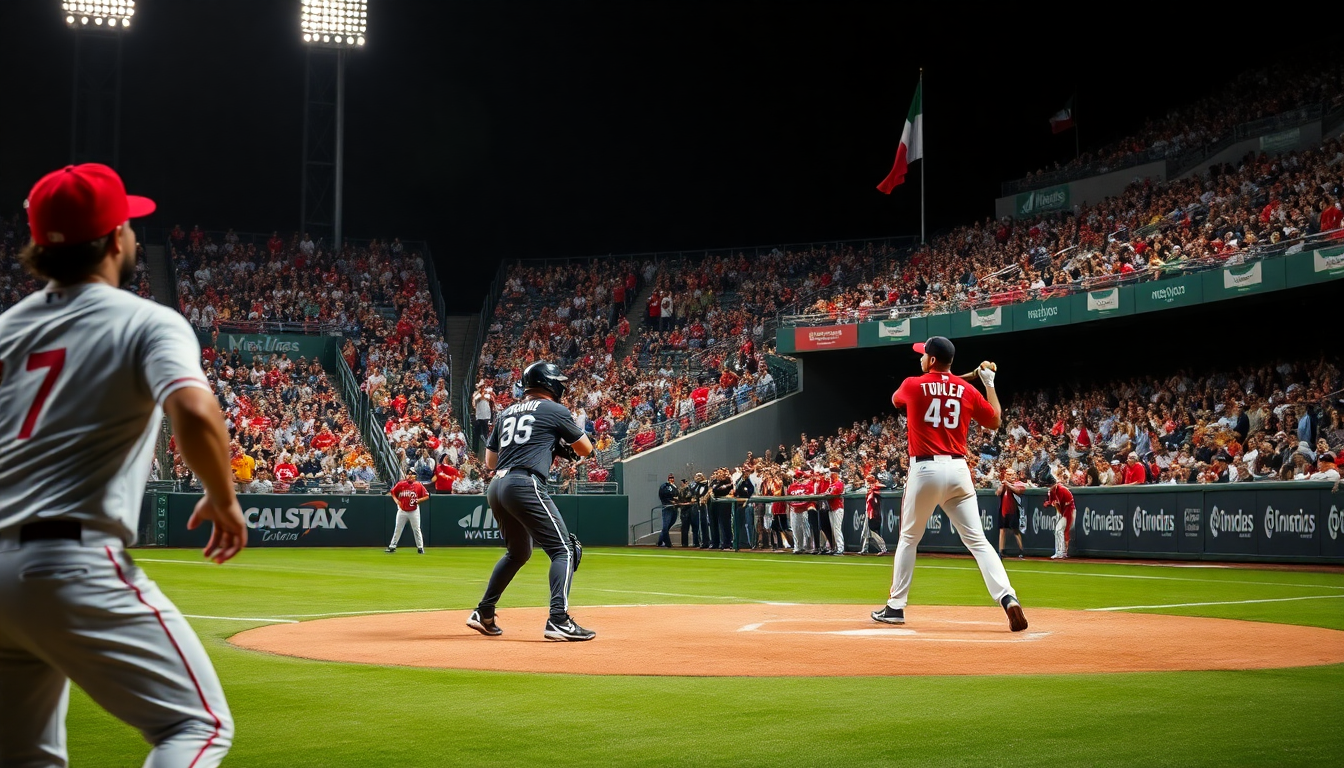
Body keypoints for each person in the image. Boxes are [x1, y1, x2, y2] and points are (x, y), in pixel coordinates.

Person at [0, 164, 245, 766]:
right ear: (115, 240)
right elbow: (192, 407)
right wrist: (222, 494)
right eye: (129, 225)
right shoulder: (147, 320)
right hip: (71, 561)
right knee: (198, 726)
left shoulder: (6, 330)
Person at [871, 337, 1027, 632]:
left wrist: (946, 383)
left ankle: (895, 606)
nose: (920, 358)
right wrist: (988, 382)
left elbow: (896, 401)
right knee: (979, 542)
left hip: (925, 469)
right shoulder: (967, 389)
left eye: (923, 355)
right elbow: (994, 420)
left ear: (931, 360)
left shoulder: (912, 384)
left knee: (908, 539)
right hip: (958, 470)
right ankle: (1008, 597)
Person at [467, 361, 595, 641]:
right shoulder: (555, 409)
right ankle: (559, 620)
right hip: (524, 484)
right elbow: (585, 449)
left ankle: (484, 612)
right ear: (549, 383)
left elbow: (490, 461)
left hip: (497, 486)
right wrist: (558, 447)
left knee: (518, 553)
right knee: (565, 549)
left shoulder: (506, 412)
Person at [386, 470, 428, 554]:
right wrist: (397, 501)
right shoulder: (401, 484)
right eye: (409, 474)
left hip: (414, 510)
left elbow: (427, 496)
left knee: (416, 529)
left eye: (412, 474)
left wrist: (419, 500)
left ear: (415, 476)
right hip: (402, 510)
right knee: (398, 528)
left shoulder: (418, 485)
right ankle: (392, 546)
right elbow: (393, 492)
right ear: (406, 475)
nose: (410, 475)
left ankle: (420, 548)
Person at [1042, 474, 1076, 559]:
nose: (1050, 487)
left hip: (1070, 511)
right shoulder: (1051, 492)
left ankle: (1061, 552)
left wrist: (1060, 511)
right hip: (1061, 511)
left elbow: (1067, 506)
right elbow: (1052, 502)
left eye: (1051, 485)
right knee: (1057, 531)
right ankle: (1060, 552)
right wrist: (1048, 503)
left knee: (1059, 529)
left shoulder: (1063, 490)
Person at [996, 469, 1027, 559]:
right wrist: (1003, 484)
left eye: (1012, 475)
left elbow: (1018, 491)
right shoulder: (1003, 485)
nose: (1011, 477)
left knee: (1015, 530)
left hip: (1013, 510)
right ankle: (1001, 551)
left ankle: (1021, 550)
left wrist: (1008, 484)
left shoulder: (1018, 484)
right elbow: (998, 493)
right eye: (1008, 475)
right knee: (1002, 530)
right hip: (1003, 510)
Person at [859, 474, 888, 555]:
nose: (868, 485)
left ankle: (883, 548)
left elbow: (883, 486)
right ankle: (864, 549)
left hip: (873, 513)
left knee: (872, 531)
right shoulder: (869, 492)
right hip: (868, 512)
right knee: (866, 532)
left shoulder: (875, 491)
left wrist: (874, 485)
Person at [709, 468, 734, 550]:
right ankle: (716, 542)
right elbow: (714, 490)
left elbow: (718, 490)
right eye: (718, 473)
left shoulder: (728, 482)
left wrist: (716, 489)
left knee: (725, 524)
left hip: (725, 505)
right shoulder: (715, 482)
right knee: (715, 524)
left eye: (720, 473)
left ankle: (727, 542)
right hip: (716, 504)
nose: (718, 475)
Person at [825, 467, 846, 556]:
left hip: (838, 507)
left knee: (837, 528)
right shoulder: (831, 484)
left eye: (832, 473)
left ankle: (840, 548)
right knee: (834, 529)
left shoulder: (839, 483)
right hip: (831, 508)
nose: (830, 474)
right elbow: (826, 492)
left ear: (836, 474)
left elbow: (833, 493)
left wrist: (827, 493)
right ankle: (836, 547)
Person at [471, 380, 495, 454]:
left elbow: (490, 399)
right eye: (481, 387)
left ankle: (487, 450)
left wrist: (485, 394)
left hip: (486, 416)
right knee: (476, 434)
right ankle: (475, 451)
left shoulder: (488, 394)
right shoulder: (476, 394)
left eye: (483, 387)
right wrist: (480, 394)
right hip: (478, 416)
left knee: (486, 434)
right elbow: (474, 400)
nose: (482, 388)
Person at [656, 473, 678, 548]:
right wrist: (669, 501)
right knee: (666, 526)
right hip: (667, 507)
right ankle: (667, 543)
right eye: (670, 478)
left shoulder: (675, 487)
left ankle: (660, 541)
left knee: (669, 524)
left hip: (674, 507)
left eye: (672, 478)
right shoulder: (665, 486)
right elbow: (662, 495)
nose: (671, 479)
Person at [677, 477, 698, 548]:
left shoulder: (689, 490)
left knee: (692, 527)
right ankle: (688, 543)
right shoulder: (682, 491)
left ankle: (693, 543)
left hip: (690, 510)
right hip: (685, 510)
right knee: (686, 528)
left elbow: (692, 500)